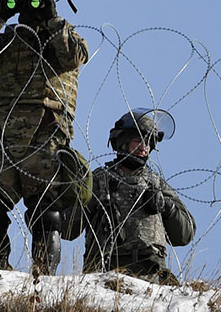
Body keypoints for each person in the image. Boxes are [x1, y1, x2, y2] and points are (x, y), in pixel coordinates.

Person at [0, 0, 90, 275]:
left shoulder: (65, 37)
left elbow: (72, 58)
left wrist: (52, 19)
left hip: (46, 137)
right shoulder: (8, 39)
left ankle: (43, 275)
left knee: (45, 212)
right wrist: (0, 15)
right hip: (7, 140)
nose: (30, 7)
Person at [82, 109, 195, 285]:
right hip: (104, 274)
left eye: (149, 143)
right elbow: (70, 228)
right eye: (138, 141)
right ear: (122, 142)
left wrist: (166, 207)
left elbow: (185, 235)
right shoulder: (99, 180)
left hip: (150, 275)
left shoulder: (156, 184)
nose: (144, 148)